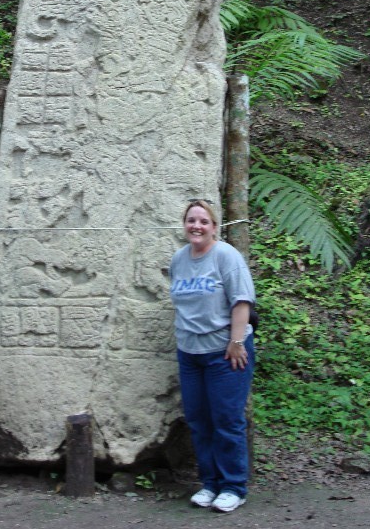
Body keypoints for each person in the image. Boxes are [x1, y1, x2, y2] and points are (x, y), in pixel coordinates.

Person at [169, 199, 255, 513]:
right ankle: (210, 483)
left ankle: (234, 486)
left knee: (227, 420)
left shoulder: (225, 256)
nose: (197, 226)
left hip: (225, 352)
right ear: (184, 224)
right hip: (190, 353)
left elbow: (242, 300)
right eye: (191, 220)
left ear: (214, 227)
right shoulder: (179, 259)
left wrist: (236, 341)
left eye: (204, 221)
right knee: (198, 421)